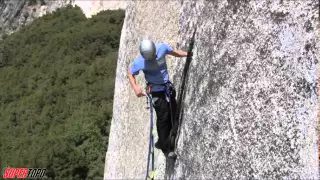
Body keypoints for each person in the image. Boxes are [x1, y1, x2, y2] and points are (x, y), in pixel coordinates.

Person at [128, 39, 189, 156]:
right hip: (155, 91)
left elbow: (174, 53)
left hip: (167, 87)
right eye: (149, 58)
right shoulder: (140, 62)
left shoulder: (162, 48)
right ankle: (167, 149)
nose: (152, 59)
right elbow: (130, 74)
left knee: (173, 112)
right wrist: (135, 87)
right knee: (163, 118)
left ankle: (163, 140)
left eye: (153, 56)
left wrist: (188, 54)